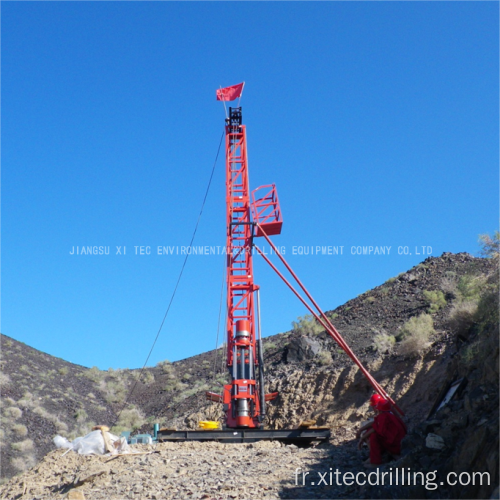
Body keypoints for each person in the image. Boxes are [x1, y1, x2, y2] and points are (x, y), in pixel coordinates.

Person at [356, 395, 407, 467]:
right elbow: (375, 423)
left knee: (372, 436)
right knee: (369, 432)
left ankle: (375, 461)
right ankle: (375, 456)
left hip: (395, 444)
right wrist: (361, 430)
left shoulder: (384, 416)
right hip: (399, 441)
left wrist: (362, 438)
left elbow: (375, 429)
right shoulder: (387, 413)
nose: (373, 408)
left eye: (374, 406)